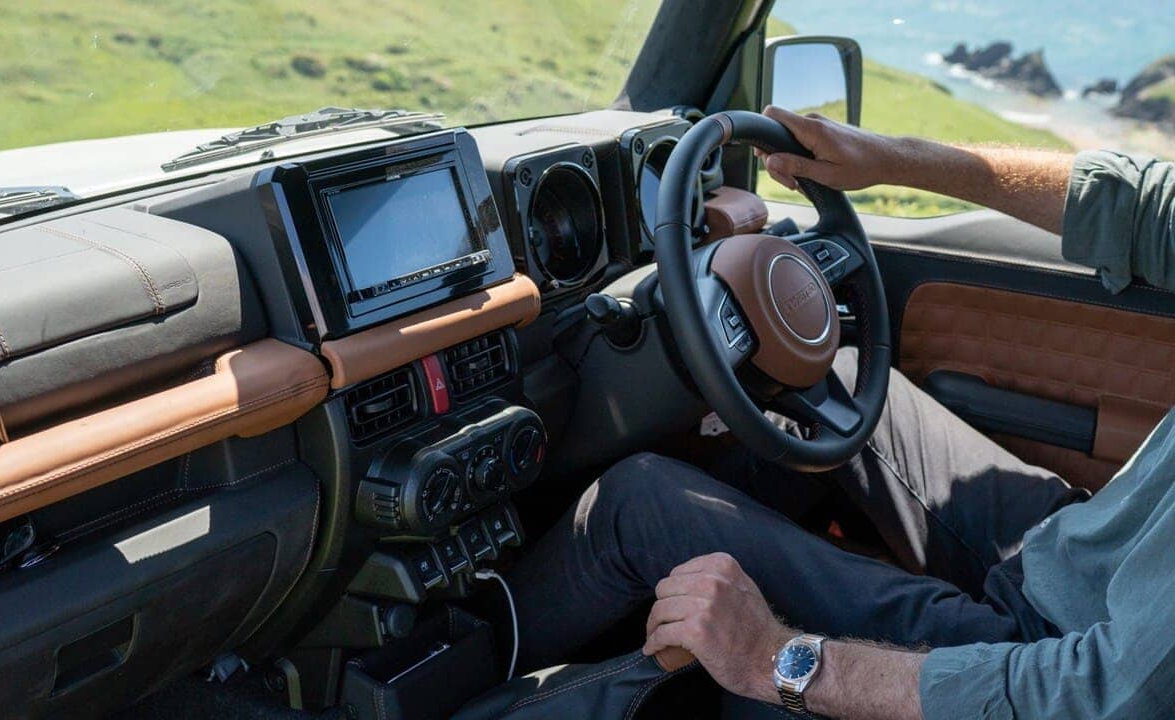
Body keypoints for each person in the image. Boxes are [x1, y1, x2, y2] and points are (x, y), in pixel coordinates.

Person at [502, 106, 1175, 719]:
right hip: (1096, 552)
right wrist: (888, 158)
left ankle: (470, 673)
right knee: (840, 387)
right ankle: (667, 614)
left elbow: (1094, 698)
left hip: (1052, 653)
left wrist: (775, 658)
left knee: (635, 502)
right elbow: (1146, 210)